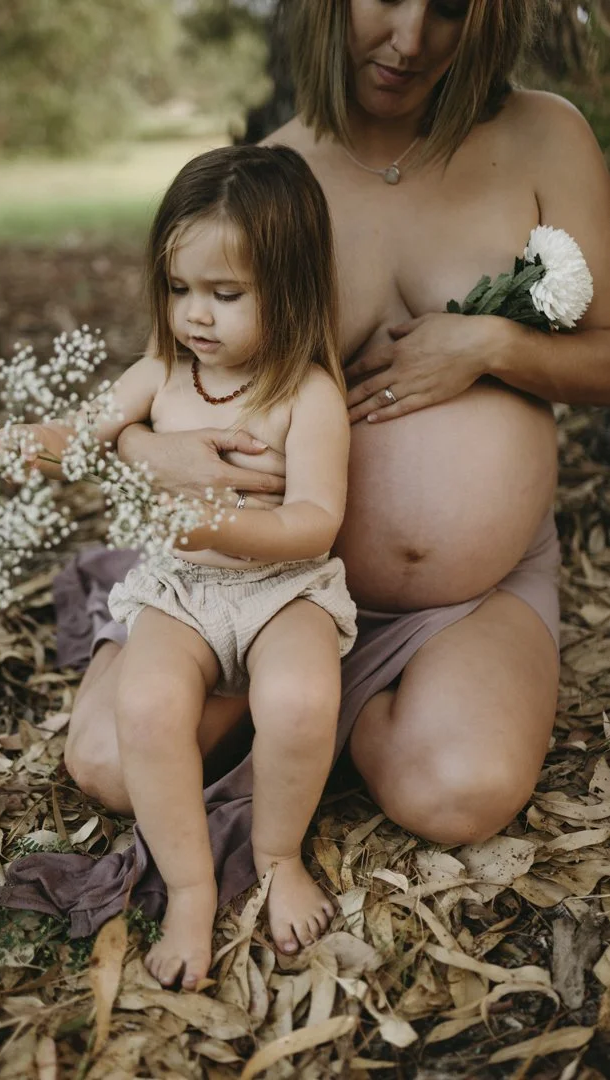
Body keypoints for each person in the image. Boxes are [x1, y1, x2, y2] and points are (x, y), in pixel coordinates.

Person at [61, 0, 610, 849]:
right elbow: (167, 373)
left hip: (466, 597)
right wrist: (144, 448)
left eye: (448, 8)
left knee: (455, 796)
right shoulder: (272, 176)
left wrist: (491, 345)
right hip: (259, 587)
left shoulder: (543, 135)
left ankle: (331, 723)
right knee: (109, 765)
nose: (409, 39)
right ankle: (282, 701)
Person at [0, 145, 357, 988]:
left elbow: (316, 519)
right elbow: (84, 434)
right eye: (179, 287)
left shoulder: (306, 395)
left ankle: (276, 856)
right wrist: (32, 443)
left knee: (299, 699)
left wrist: (224, 525)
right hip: (182, 592)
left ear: (289, 287)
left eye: (226, 294)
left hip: (282, 590)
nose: (196, 314)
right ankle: (191, 887)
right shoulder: (160, 373)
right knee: (149, 706)